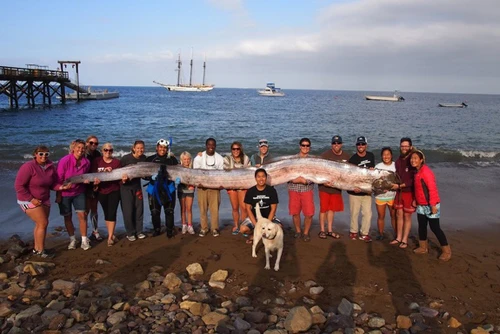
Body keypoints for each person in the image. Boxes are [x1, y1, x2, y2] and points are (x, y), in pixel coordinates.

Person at [14, 146, 69, 258]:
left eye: (46, 154)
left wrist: (62, 188)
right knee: (43, 223)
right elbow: (19, 186)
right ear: (35, 154)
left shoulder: (50, 167)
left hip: (44, 199)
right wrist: (31, 199)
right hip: (27, 199)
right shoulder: (28, 167)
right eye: (41, 154)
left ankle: (37, 249)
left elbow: (52, 184)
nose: (43, 156)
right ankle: (41, 251)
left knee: (40, 224)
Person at [410, 150, 451, 261]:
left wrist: (433, 205)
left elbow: (432, 190)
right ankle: (423, 247)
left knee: (435, 228)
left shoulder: (426, 172)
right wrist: (415, 200)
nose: (413, 160)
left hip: (431, 204)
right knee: (422, 226)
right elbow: (418, 189)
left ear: (421, 160)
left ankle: (447, 251)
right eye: (411, 158)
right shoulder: (417, 172)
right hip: (421, 205)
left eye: (415, 158)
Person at [56, 139, 92, 250]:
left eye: (83, 148)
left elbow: (85, 177)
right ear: (73, 148)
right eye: (78, 147)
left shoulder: (86, 162)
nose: (80, 150)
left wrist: (86, 181)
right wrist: (59, 194)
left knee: (82, 216)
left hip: (79, 192)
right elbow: (58, 179)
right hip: (65, 193)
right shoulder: (64, 160)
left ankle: (84, 241)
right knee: (68, 217)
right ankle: (72, 239)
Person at [318, 135, 350, 240]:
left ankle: (330, 230)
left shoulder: (346, 156)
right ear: (331, 144)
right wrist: (324, 182)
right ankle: (322, 230)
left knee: (332, 209)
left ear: (341, 144)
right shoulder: (325, 155)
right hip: (324, 187)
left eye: (338, 143)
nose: (336, 145)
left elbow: (350, 173)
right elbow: (318, 170)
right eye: (334, 143)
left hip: (337, 188)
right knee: (323, 209)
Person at [146, 139, 179, 238]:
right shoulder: (150, 159)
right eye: (160, 147)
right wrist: (149, 177)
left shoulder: (172, 160)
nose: (162, 149)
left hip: (169, 188)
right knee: (155, 212)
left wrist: (178, 179)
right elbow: (143, 174)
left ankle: (169, 230)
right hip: (153, 188)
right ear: (157, 148)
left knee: (169, 211)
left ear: (167, 149)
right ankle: (157, 229)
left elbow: (178, 172)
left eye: (164, 148)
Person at [91, 143, 121, 247]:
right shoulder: (97, 161)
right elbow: (93, 174)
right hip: (101, 191)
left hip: (114, 190)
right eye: (106, 150)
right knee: (107, 212)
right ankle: (111, 234)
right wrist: (95, 182)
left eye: (110, 150)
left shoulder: (117, 162)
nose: (108, 152)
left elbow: (119, 178)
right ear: (102, 150)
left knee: (112, 212)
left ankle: (110, 237)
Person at [193, 137, 224, 237]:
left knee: (214, 209)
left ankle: (215, 228)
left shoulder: (219, 158)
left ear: (215, 146)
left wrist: (220, 185)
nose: (211, 146)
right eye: (209, 145)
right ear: (206, 146)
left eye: (213, 145)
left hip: (215, 188)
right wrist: (199, 183)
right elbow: (195, 172)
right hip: (202, 187)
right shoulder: (199, 157)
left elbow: (221, 173)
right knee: (203, 209)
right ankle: (204, 228)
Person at [348, 136, 376, 242]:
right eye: (359, 144)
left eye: (363, 144)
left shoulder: (371, 155)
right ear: (356, 146)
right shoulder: (353, 159)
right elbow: (350, 176)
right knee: (354, 213)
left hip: (366, 191)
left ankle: (364, 233)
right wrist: (354, 187)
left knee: (367, 213)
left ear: (366, 145)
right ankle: (353, 231)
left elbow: (371, 173)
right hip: (354, 191)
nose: (361, 146)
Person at [390, 137, 416, 249]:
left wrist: (400, 185)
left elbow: (413, 180)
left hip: (409, 192)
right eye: (402, 146)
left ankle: (405, 239)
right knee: (398, 214)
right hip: (399, 192)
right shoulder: (398, 160)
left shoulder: (413, 159)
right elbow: (397, 177)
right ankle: (398, 237)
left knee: (407, 216)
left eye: (406, 146)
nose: (404, 148)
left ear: (410, 147)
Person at [241, 168, 280, 244]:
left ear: (266, 178)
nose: (261, 179)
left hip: (269, 217)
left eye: (263, 176)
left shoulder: (272, 191)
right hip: (255, 218)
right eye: (258, 177)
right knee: (243, 229)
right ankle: (254, 235)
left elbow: (273, 208)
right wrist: (256, 225)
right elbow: (248, 209)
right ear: (255, 178)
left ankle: (265, 236)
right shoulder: (250, 191)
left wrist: (268, 224)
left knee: (279, 228)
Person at [288, 138, 315, 242]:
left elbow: (316, 174)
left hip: (307, 189)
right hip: (293, 188)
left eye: (307, 146)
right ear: (300, 146)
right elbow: (285, 172)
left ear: (310, 147)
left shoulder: (313, 160)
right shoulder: (292, 159)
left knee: (309, 213)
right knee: (295, 212)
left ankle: (306, 233)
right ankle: (298, 231)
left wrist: (306, 181)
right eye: (303, 145)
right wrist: (294, 180)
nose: (305, 147)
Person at [120, 140, 147, 241]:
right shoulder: (125, 159)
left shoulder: (144, 158)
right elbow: (118, 173)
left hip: (137, 187)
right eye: (138, 148)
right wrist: (122, 180)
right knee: (128, 211)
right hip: (126, 188)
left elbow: (145, 173)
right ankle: (130, 233)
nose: (140, 150)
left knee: (139, 210)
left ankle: (139, 231)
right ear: (134, 148)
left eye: (142, 148)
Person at [224, 141, 251, 235]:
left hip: (242, 186)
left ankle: (244, 226)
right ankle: (236, 225)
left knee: (243, 208)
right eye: (234, 149)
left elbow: (249, 172)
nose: (236, 151)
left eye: (237, 149)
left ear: (240, 149)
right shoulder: (227, 158)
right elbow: (225, 172)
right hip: (231, 186)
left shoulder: (246, 158)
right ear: (231, 150)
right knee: (235, 207)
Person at [374, 147, 397, 240]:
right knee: (381, 216)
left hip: (393, 196)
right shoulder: (378, 166)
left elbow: (399, 180)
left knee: (394, 216)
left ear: (391, 155)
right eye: (384, 154)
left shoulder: (396, 166)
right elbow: (374, 182)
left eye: (388, 154)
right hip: (380, 196)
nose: (386, 156)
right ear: (381, 156)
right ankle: (380, 233)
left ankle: (397, 234)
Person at [85, 135, 102, 241]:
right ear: (87, 143)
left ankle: (95, 231)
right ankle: (85, 233)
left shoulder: (98, 154)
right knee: (85, 209)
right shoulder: (83, 153)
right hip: (84, 184)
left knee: (94, 208)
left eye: (96, 143)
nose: (93, 145)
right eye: (91, 143)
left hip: (94, 182)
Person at [178, 151, 195, 235]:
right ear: (181, 160)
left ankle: (190, 225)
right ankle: (184, 224)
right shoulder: (179, 168)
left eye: (188, 159)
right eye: (184, 159)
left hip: (190, 190)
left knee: (189, 208)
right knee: (183, 208)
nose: (186, 161)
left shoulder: (192, 169)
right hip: (181, 190)